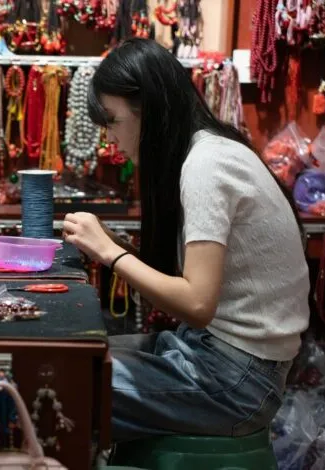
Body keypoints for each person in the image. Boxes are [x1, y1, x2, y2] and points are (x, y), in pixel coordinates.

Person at [62, 38, 309, 441]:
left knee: (57, 384)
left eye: (112, 119)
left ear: (149, 111)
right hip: (219, 356)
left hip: (237, 383)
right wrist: (115, 246)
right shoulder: (210, 151)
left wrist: (110, 253)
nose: (109, 137)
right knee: (71, 356)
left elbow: (196, 303)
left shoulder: (206, 165)